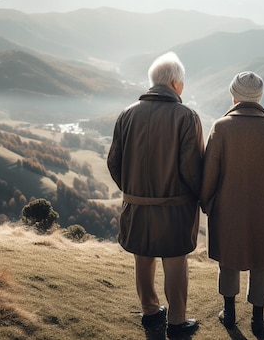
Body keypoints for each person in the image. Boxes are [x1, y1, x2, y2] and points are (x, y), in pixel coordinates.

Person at [107, 52, 203, 338]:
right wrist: (200, 197)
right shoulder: (186, 117)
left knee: (143, 257)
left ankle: (150, 313)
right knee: (175, 262)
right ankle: (177, 321)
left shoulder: (127, 114)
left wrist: (133, 189)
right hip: (175, 207)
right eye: (182, 81)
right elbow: (192, 169)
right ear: (175, 83)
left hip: (136, 206)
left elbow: (114, 162)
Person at [200, 71, 264, 337]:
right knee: (261, 262)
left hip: (227, 208)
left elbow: (210, 171)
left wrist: (207, 202)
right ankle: (258, 320)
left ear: (234, 95)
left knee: (228, 259)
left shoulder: (221, 127)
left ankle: (229, 313)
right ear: (259, 97)